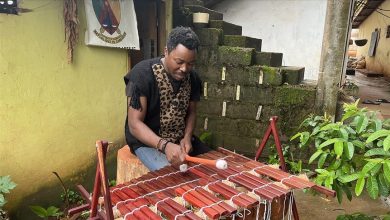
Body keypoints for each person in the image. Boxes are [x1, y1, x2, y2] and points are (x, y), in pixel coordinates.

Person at [124, 26, 210, 171]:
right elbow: (134, 124)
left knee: (214, 167)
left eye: (190, 63)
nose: (184, 68)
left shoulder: (193, 78)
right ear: (166, 51)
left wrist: (187, 137)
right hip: (147, 142)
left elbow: (192, 113)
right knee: (174, 176)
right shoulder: (142, 75)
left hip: (179, 140)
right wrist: (165, 145)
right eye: (179, 62)